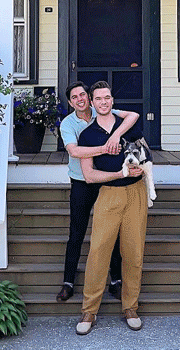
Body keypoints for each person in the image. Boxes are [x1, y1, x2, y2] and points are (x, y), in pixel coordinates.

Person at [74, 81, 148, 335]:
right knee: (98, 252)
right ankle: (89, 310)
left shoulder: (127, 125)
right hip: (108, 195)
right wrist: (118, 173)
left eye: (107, 97)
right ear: (92, 104)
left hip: (136, 193)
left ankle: (130, 307)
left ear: (112, 101)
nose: (103, 102)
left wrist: (141, 165)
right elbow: (90, 176)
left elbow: (145, 151)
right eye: (99, 99)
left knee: (134, 252)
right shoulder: (87, 136)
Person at [57, 81, 139, 303]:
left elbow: (132, 116)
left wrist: (115, 136)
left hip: (106, 180)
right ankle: (68, 282)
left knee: (110, 231)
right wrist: (104, 148)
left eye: (82, 95)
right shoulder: (68, 124)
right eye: (75, 97)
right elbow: (74, 151)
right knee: (77, 231)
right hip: (82, 181)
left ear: (89, 97)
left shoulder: (101, 108)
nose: (80, 99)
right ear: (71, 102)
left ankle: (115, 281)